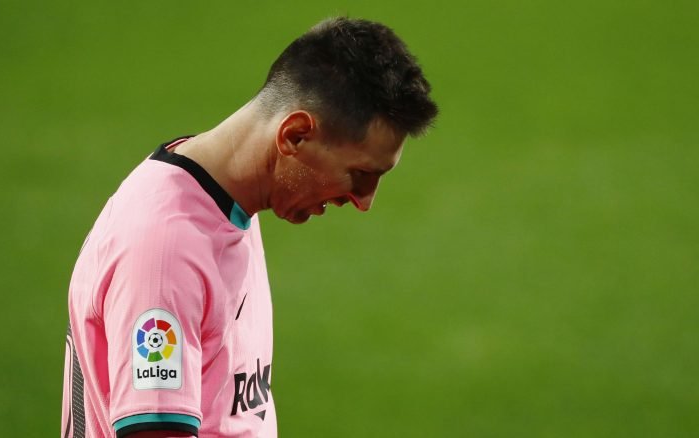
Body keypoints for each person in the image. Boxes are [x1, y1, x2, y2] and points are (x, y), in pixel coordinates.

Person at [61, 16, 438, 438]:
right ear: (294, 135)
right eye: (361, 175)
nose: (364, 201)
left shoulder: (227, 204)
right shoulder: (165, 249)